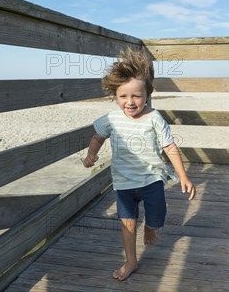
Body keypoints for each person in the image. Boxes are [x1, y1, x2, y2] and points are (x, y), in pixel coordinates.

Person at [82, 47, 196, 281]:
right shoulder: (111, 119)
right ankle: (131, 261)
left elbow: (170, 147)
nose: (130, 102)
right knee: (127, 223)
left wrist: (183, 176)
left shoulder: (154, 118)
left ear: (147, 94)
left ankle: (152, 227)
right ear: (116, 96)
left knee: (157, 216)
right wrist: (91, 155)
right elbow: (98, 136)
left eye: (136, 96)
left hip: (152, 179)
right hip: (123, 183)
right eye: (124, 96)